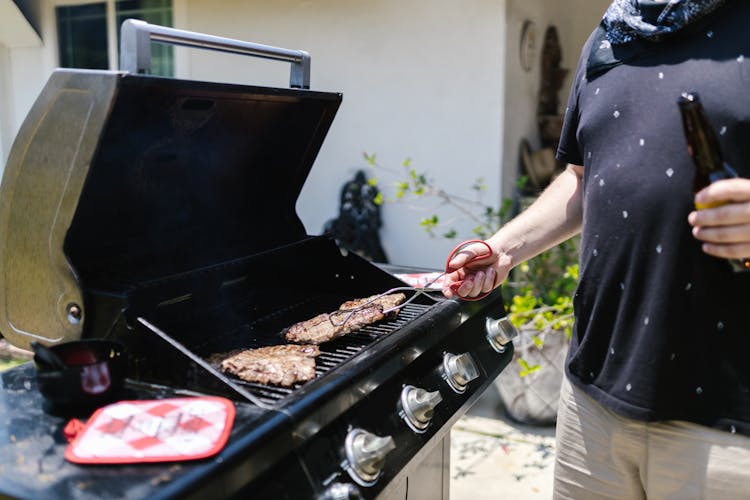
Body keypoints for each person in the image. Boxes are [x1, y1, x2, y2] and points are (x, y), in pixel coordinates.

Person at [442, 0, 750, 498]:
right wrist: (503, 250)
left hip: (727, 424)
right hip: (591, 405)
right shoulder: (610, 36)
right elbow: (584, 179)